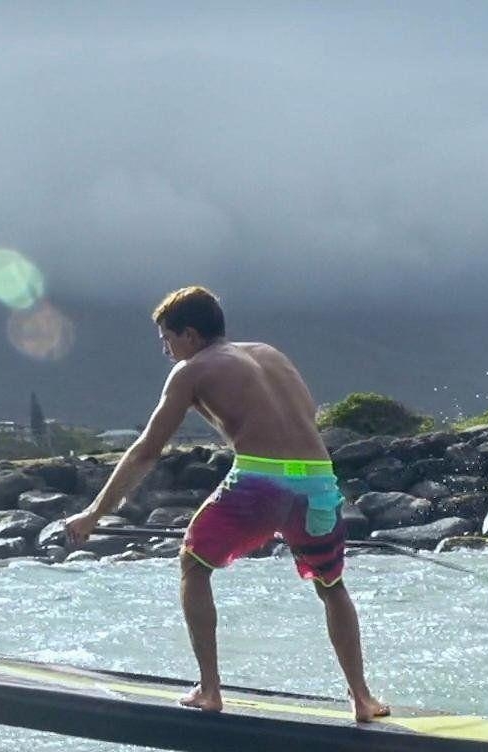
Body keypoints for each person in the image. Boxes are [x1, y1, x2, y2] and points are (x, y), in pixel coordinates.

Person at [62, 286, 390, 722]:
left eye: (168, 339)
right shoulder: (270, 355)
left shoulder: (191, 371)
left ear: (191, 335)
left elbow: (146, 449)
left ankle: (210, 690)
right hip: (317, 480)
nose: (166, 350)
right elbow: (305, 414)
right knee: (331, 587)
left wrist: (93, 513)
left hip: (259, 482)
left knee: (194, 563)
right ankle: (363, 698)